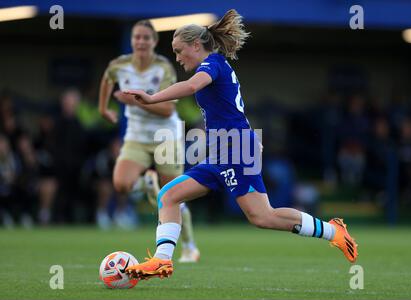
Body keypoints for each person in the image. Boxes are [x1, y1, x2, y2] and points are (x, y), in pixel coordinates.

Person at [122, 9, 359, 280]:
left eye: (178, 51)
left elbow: (190, 87)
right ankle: (162, 261)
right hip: (224, 150)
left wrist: (152, 99)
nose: (177, 57)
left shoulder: (212, 64)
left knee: (262, 217)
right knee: (168, 195)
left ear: (196, 45)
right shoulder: (215, 66)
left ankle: (334, 231)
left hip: (235, 149)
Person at [98, 20, 200, 262]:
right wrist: (103, 109)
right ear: (132, 40)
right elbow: (106, 80)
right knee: (121, 183)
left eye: (146, 38)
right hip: (136, 136)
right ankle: (146, 182)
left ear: (154, 42)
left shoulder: (163, 67)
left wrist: (133, 101)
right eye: (137, 37)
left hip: (166, 136)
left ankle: (189, 246)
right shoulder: (119, 65)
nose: (141, 41)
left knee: (174, 195)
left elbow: (166, 110)